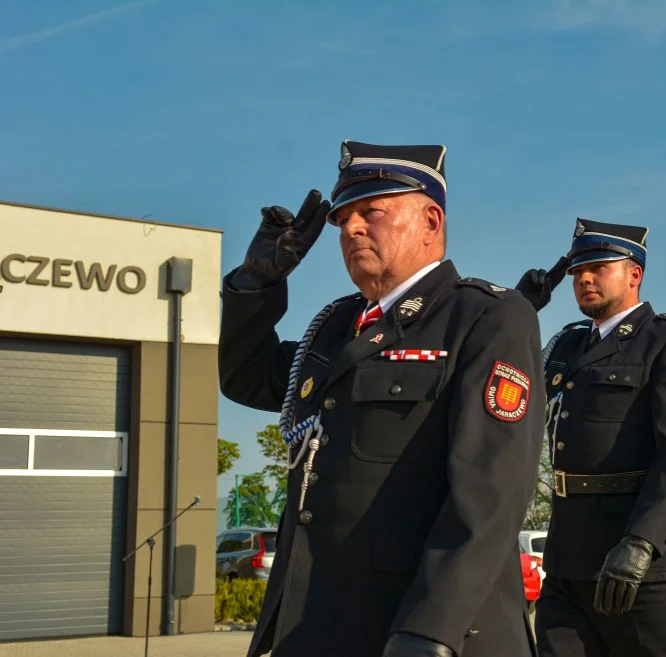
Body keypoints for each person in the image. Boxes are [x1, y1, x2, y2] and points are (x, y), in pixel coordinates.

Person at [219, 140, 544, 657]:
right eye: (344, 218)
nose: (350, 228)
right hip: (318, 624)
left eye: (372, 211)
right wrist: (255, 285)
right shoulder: (331, 328)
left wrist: (432, 627)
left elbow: (491, 489)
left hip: (417, 627)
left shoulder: (485, 317)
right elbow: (245, 378)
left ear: (431, 222)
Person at [514, 218, 666, 657]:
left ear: (634, 275)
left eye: (599, 266)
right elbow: (507, 401)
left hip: (646, 564)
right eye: (577, 271)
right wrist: (515, 315)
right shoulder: (565, 346)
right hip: (569, 561)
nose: (584, 278)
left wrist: (642, 543)